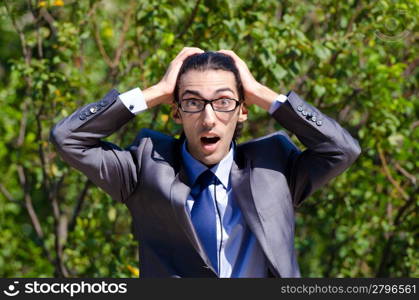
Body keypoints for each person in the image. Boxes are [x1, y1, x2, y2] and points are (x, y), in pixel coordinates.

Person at [50, 47, 361, 278]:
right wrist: (157, 91)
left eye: (224, 102)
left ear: (243, 110)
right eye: (193, 103)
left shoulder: (275, 167)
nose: (209, 118)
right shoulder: (144, 167)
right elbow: (67, 137)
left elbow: (342, 149)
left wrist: (260, 92)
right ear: (176, 112)